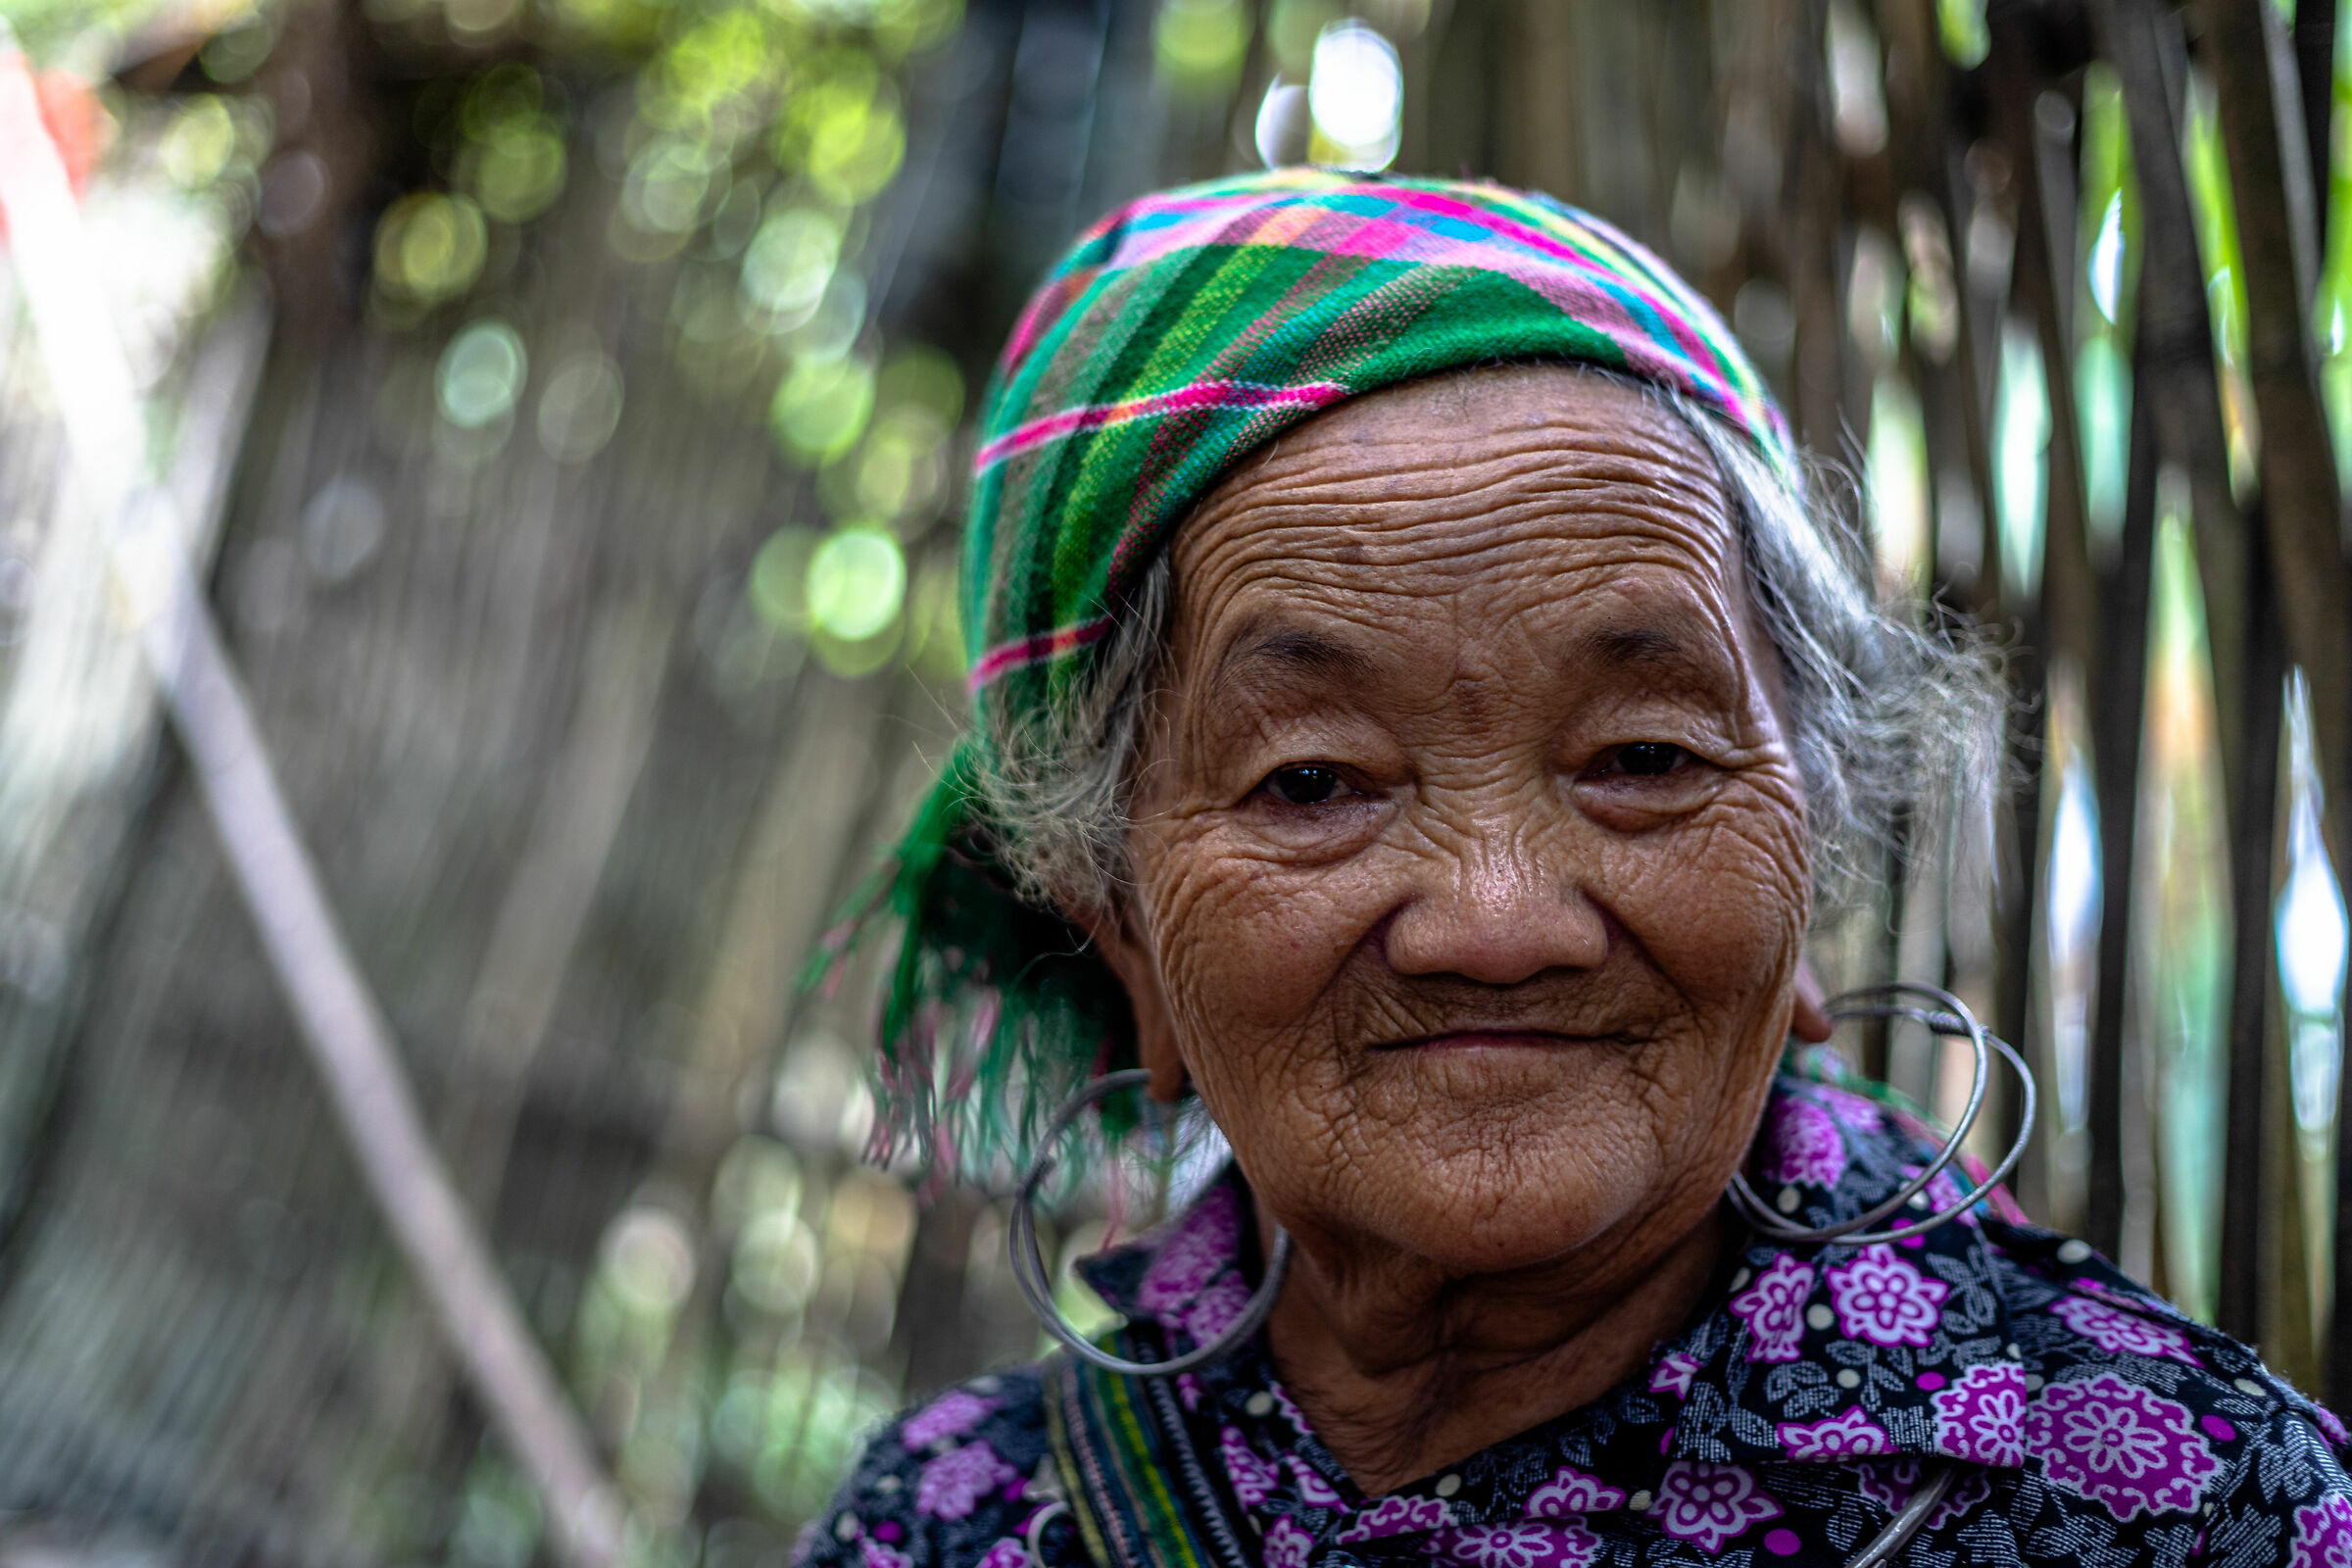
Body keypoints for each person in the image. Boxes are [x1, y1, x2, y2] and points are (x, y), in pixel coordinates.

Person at [797, 170, 2352, 1568]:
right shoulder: (957, 1528)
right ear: (1119, 934)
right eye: (1315, 780)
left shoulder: (2184, 1506)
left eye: (1645, 760)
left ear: (1810, 853)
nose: (1498, 918)